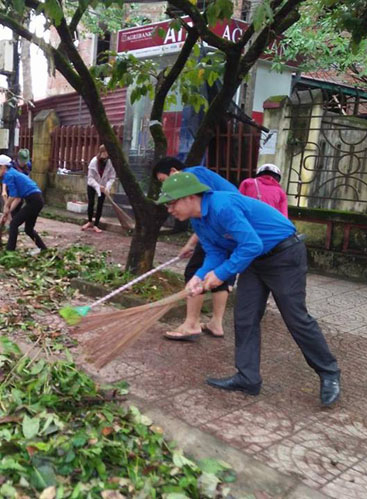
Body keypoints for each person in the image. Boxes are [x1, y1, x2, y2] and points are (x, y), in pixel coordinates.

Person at [156, 172, 340, 406]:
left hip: (283, 254)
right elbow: (215, 252)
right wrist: (199, 276)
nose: (169, 209)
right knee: (244, 317)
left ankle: (329, 372)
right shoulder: (198, 220)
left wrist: (221, 274)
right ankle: (248, 378)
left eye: (171, 203)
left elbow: (252, 244)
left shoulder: (223, 206)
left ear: (191, 197)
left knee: (295, 318)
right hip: (256, 258)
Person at [154, 157, 238, 341]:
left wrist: (191, 244)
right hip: (228, 229)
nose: (166, 186)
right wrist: (191, 244)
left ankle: (191, 324)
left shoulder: (190, 176)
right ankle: (216, 323)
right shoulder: (199, 174)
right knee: (217, 273)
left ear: (174, 171)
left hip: (226, 228)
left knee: (195, 271)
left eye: (164, 180)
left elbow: (205, 211)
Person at [0, 154, 47, 252]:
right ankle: (44, 249)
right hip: (37, 200)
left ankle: (10, 250)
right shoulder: (13, 173)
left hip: (34, 200)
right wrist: (8, 211)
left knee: (14, 224)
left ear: (3, 167)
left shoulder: (8, 175)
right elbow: (17, 198)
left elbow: (13, 194)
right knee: (28, 229)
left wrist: (6, 205)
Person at [82, 145, 116, 233]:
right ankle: (89, 222)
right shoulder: (94, 162)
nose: (106, 155)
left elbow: (112, 177)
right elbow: (90, 178)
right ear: (100, 153)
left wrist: (107, 187)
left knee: (100, 205)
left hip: (103, 187)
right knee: (91, 203)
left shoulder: (110, 163)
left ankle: (96, 225)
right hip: (92, 185)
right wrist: (97, 186)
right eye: (104, 152)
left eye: (107, 153)